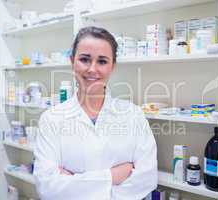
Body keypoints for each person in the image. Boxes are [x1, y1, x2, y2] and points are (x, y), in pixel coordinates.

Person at [33, 26, 158, 200]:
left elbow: (147, 178)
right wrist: (113, 176)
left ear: (112, 66)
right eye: (85, 59)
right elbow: (47, 187)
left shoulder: (133, 115)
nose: (92, 69)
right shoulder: (51, 119)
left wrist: (73, 181)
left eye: (102, 61)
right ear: (72, 61)